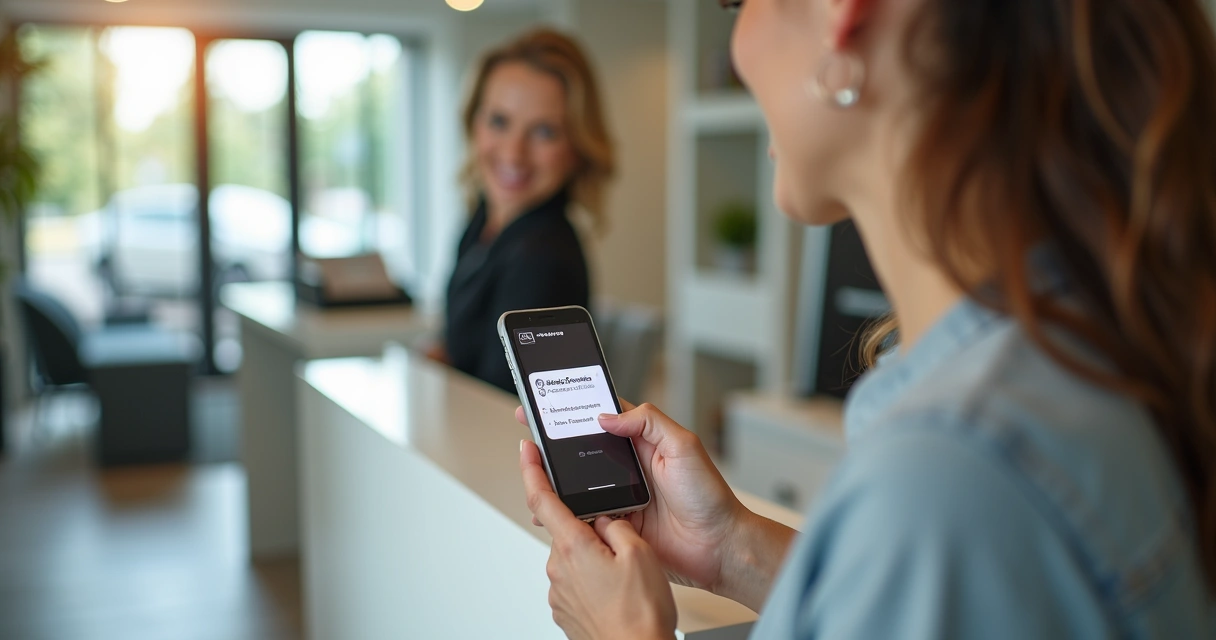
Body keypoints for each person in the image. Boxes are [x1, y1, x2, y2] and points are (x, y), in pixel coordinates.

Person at [517, 0, 1216, 637]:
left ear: (840, 14)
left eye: (738, 2)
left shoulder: (954, 470)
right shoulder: (1056, 360)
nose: (737, 46)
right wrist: (729, 549)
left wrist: (622, 631)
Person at [436, 29, 614, 393]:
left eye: (544, 132)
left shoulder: (542, 257)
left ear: (576, 147)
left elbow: (502, 404)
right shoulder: (484, 220)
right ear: (473, 122)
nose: (514, 153)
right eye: (499, 121)